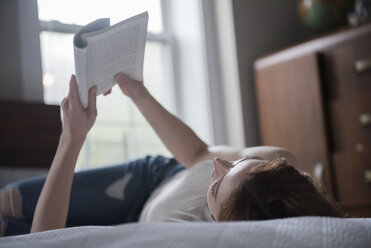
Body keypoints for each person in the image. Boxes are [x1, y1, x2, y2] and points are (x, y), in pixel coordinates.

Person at [0, 73, 343, 236]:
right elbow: (199, 152)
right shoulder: (279, 164)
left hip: (134, 225)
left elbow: (44, 243)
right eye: (239, 164)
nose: (218, 165)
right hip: (152, 179)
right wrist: (138, 92)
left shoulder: (190, 241)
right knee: (9, 201)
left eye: (215, 185)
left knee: (11, 233)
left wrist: (70, 139)